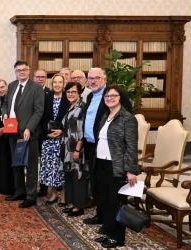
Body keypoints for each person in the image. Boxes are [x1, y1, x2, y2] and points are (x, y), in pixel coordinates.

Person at [82, 68, 132, 231]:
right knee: (99, 185)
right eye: (90, 78)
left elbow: (126, 122)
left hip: (112, 151)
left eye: (97, 78)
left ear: (105, 78)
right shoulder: (90, 96)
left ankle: (116, 223)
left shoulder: (116, 94)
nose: (93, 81)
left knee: (113, 191)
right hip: (93, 147)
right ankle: (101, 216)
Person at [93, 85, 138, 248]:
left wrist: (131, 170)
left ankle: (117, 237)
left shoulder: (128, 118)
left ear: (121, 98)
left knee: (116, 202)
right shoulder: (106, 115)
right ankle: (107, 231)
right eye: (107, 95)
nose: (109, 98)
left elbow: (132, 146)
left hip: (117, 166)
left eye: (114, 95)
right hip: (101, 163)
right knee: (104, 200)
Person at [2, 61, 44, 208]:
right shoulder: (12, 85)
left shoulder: (36, 88)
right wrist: (5, 114)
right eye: (18, 70)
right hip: (12, 131)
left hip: (28, 133)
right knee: (16, 163)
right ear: (15, 72)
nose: (21, 72)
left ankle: (31, 196)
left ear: (28, 70)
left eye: (24, 70)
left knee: (31, 166)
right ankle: (19, 191)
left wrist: (29, 128)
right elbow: (5, 103)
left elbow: (39, 111)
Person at [40, 74, 69, 206]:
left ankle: (63, 194)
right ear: (52, 84)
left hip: (62, 139)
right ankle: (53, 193)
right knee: (50, 167)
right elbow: (41, 118)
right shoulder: (46, 98)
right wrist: (47, 133)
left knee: (61, 167)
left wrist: (62, 131)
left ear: (64, 84)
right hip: (48, 139)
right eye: (55, 82)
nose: (57, 85)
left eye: (60, 82)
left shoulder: (68, 99)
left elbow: (72, 119)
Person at [60, 82, 87, 217]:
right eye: (68, 92)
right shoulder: (70, 107)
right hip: (67, 148)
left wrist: (77, 150)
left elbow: (82, 131)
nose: (70, 94)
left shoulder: (82, 108)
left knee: (77, 176)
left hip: (76, 148)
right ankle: (71, 203)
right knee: (69, 175)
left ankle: (79, 206)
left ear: (79, 93)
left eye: (73, 92)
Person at [33, 68, 52, 197]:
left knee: (45, 161)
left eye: (43, 77)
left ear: (46, 78)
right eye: (38, 77)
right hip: (33, 131)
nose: (40, 79)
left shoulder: (50, 93)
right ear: (33, 77)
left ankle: (44, 188)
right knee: (32, 161)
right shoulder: (30, 91)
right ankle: (32, 186)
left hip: (45, 133)